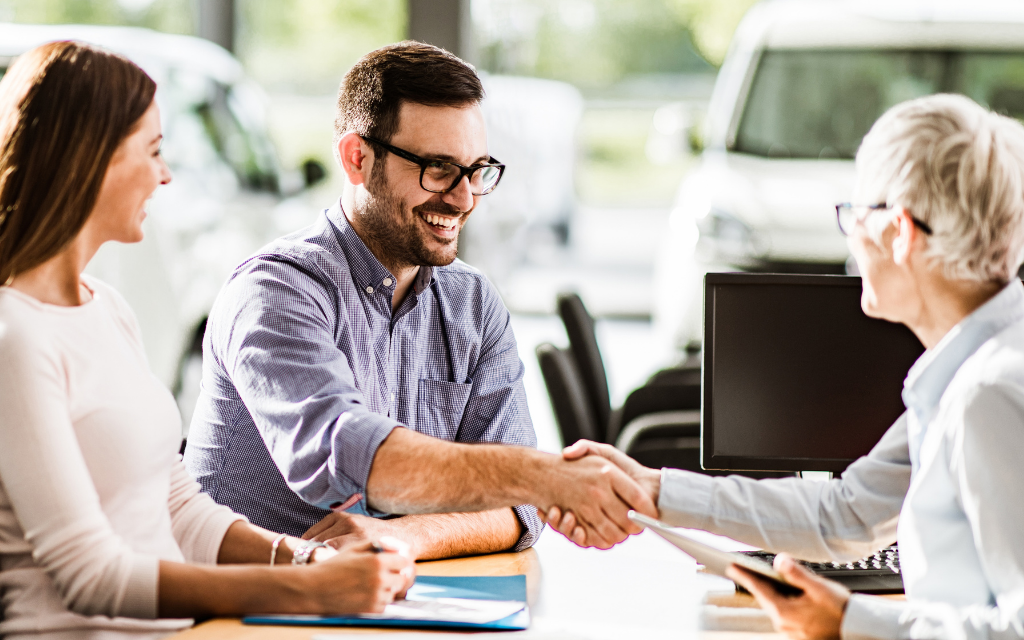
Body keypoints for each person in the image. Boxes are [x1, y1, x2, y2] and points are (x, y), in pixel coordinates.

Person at [546, 93, 1024, 640]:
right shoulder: (965, 372)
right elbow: (847, 514)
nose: (849, 242)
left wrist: (852, 624)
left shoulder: (990, 394)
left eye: (854, 215)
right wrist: (654, 489)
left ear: (900, 233)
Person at [0, 41, 416, 639]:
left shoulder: (107, 309)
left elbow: (175, 505)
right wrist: (308, 592)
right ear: (91, 162)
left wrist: (303, 559)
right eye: (153, 151)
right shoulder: (17, 338)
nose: (165, 174)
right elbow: (91, 576)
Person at [184, 41, 656, 556]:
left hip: (390, 602)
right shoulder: (275, 290)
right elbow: (345, 459)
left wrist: (406, 535)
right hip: (246, 613)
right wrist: (545, 477)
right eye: (437, 169)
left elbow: (519, 512)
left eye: (476, 170)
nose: (464, 197)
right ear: (357, 158)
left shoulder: (471, 303)